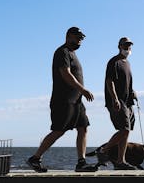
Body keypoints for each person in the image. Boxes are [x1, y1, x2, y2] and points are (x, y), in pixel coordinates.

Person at [27, 27, 98, 173]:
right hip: (63, 100)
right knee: (58, 130)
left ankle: (81, 162)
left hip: (76, 101)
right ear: (68, 36)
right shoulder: (62, 52)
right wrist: (83, 90)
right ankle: (35, 158)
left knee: (83, 128)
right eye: (77, 38)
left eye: (81, 39)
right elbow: (65, 74)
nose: (80, 41)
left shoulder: (73, 54)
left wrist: (80, 94)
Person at [97, 37, 138, 170]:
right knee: (124, 129)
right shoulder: (114, 61)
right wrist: (114, 98)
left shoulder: (128, 63)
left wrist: (132, 92)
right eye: (125, 45)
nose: (127, 48)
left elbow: (127, 83)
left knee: (126, 131)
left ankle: (121, 161)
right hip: (117, 101)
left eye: (129, 46)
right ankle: (103, 150)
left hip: (127, 102)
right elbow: (110, 81)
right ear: (119, 46)